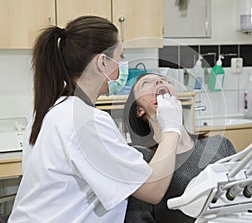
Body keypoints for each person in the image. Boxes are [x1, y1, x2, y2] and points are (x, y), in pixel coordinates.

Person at [8, 16, 183, 223]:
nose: (123, 65)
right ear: (102, 62)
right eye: (121, 56)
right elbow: (153, 189)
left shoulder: (52, 110)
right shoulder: (85, 121)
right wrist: (172, 128)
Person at [123, 73, 236, 223]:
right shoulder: (141, 158)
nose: (158, 81)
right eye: (146, 84)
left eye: (164, 80)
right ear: (139, 110)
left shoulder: (221, 145)